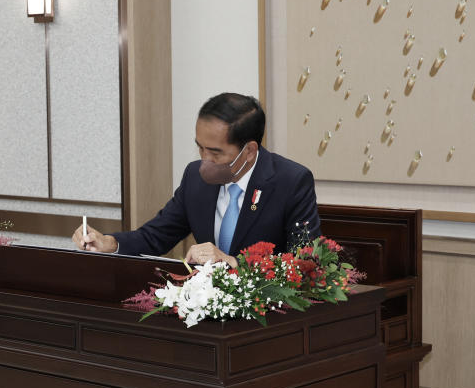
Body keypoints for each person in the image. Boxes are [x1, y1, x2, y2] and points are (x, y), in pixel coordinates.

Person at [72, 93, 320, 266]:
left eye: (215, 152)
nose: (205, 160)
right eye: (200, 148)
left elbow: (304, 262)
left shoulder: (291, 182)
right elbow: (155, 236)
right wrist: (110, 243)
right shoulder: (195, 178)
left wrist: (233, 262)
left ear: (250, 151)